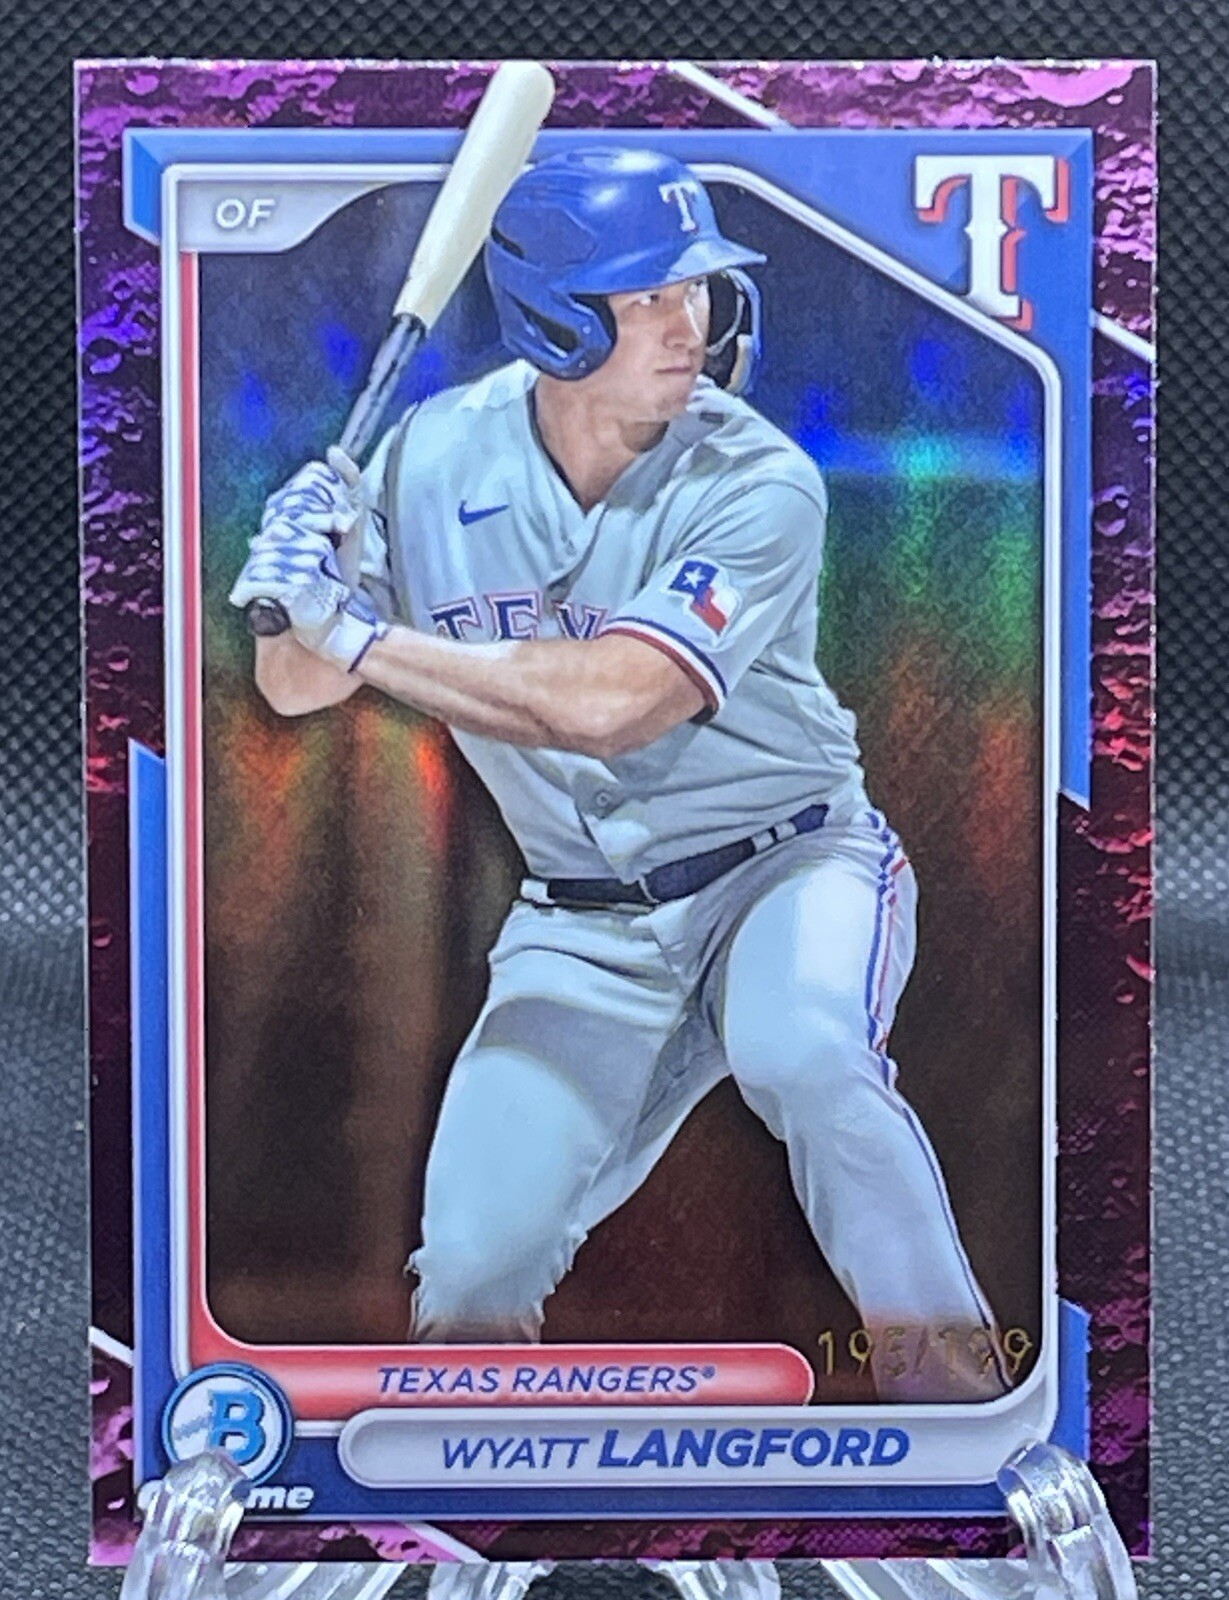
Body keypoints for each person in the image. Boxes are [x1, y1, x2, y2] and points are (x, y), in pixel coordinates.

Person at [230, 147, 1008, 1401]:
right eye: (645, 296)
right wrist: (295, 588)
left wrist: (358, 633)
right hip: (581, 923)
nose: (686, 322)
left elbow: (610, 707)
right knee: (471, 1267)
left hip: (786, 871)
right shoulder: (429, 455)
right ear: (553, 318)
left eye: (693, 287)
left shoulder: (759, 479)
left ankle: (962, 1406)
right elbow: (292, 687)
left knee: (805, 1055)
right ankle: (472, 1492)